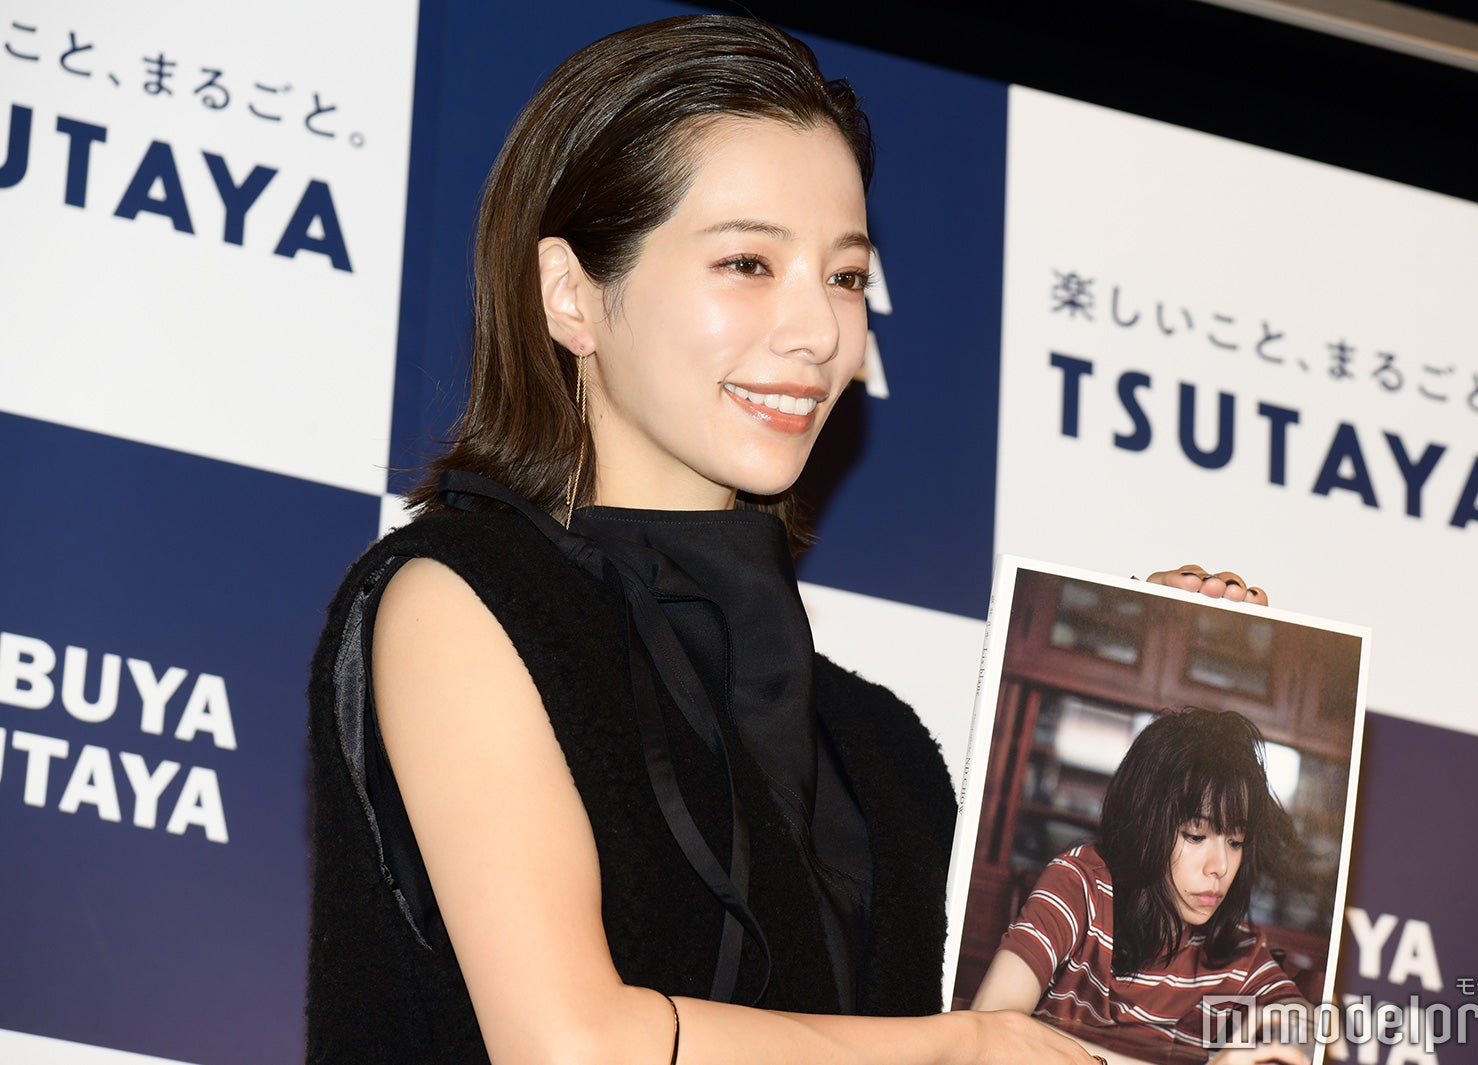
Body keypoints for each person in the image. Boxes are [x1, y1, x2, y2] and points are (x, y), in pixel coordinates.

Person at [305, 15, 1264, 1065]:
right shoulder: (459, 602)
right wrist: (955, 1049)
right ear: (572, 295)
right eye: (749, 263)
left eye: (846, 277)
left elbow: (1011, 1033)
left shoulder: (882, 754)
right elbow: (569, 1045)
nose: (820, 333)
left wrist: (1149, 715)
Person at [970, 709, 1311, 1064]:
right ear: (1145, 825)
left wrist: (1292, 1024)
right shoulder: (1079, 885)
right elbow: (988, 1024)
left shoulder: (1237, 951)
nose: (1221, 867)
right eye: (1196, 836)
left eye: (1235, 841)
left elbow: (1308, 1030)